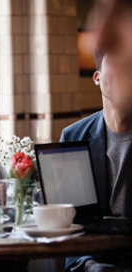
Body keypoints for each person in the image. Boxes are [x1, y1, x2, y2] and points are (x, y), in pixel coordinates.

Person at [61, 1, 132, 270]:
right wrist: (89, 266)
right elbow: (70, 223)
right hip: (90, 261)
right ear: (97, 78)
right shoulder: (74, 136)